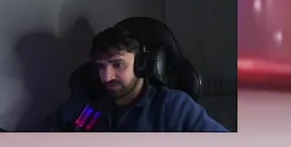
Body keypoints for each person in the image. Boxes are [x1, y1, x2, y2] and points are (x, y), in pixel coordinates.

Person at [44, 24, 227, 132]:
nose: (107, 77)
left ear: (141, 65)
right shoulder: (85, 103)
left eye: (118, 64)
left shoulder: (172, 106)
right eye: (101, 66)